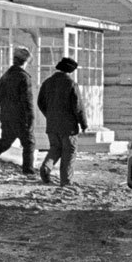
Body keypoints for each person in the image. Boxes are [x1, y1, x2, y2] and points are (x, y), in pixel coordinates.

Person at [0, 46, 37, 177]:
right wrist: (31, 119)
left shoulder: (5, 77)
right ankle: (28, 171)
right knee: (29, 143)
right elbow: (27, 102)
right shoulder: (24, 77)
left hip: (6, 116)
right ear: (25, 61)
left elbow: (1, 99)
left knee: (5, 141)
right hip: (21, 117)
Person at [36, 56, 87, 187]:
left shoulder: (47, 82)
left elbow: (40, 102)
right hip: (68, 126)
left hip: (52, 125)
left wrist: (49, 115)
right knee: (69, 153)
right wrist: (83, 124)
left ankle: (46, 168)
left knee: (55, 148)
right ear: (70, 71)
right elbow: (78, 107)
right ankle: (66, 182)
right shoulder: (71, 84)